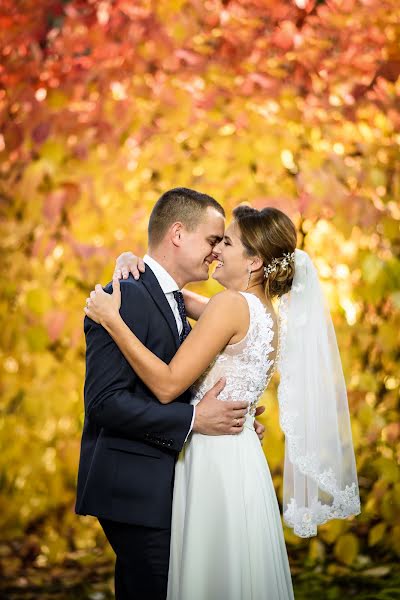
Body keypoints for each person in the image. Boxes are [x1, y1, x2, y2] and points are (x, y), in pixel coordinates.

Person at [86, 205, 361, 599]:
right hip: (240, 455)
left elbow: (166, 385)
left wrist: (113, 320)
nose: (216, 251)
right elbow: (169, 296)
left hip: (212, 457)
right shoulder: (266, 314)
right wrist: (132, 261)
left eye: (226, 242)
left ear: (254, 261)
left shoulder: (230, 306)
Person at [76, 188, 266, 600]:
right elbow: (105, 403)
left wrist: (232, 411)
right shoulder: (125, 299)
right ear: (177, 234)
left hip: (163, 485)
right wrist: (196, 419)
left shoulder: (174, 299)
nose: (217, 253)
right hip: (131, 487)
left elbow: (184, 378)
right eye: (213, 240)